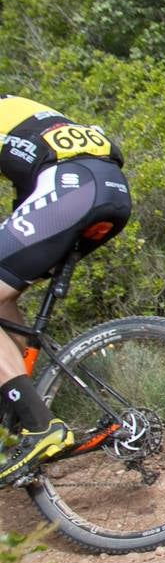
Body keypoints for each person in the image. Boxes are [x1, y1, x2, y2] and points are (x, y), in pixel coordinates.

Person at [0, 96, 131, 486]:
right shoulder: (21, 111)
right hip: (110, 191)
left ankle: (39, 424)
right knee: (4, 295)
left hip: (71, 186)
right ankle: (17, 403)